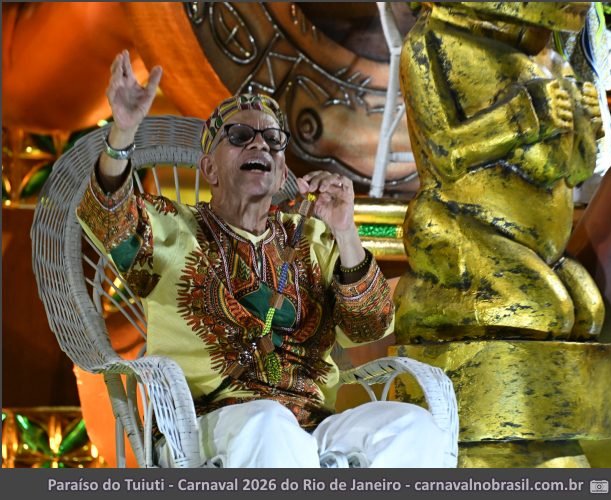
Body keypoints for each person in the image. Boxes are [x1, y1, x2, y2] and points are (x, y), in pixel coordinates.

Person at [77, 50, 449, 468]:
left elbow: (372, 324)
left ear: (280, 166)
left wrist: (345, 229)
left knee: (412, 427)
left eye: (273, 140)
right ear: (210, 169)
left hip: (312, 428)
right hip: (208, 424)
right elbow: (105, 215)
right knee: (269, 425)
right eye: (239, 136)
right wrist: (123, 132)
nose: (260, 144)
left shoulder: (311, 235)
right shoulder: (172, 227)